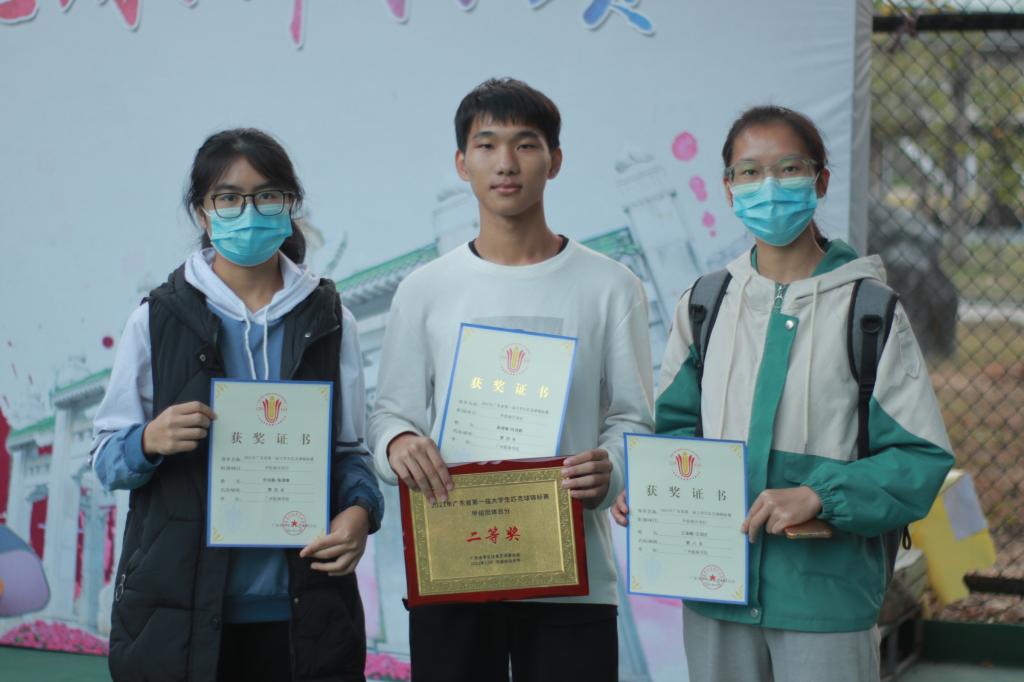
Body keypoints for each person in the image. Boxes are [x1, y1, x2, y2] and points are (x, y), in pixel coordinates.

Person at [612, 105, 954, 682]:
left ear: (820, 181)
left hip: (826, 600)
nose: (768, 186)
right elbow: (672, 431)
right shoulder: (705, 304)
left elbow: (918, 459)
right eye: (749, 172)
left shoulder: (868, 311)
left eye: (789, 168)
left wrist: (821, 494)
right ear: (728, 188)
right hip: (715, 591)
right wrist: (649, 485)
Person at [368, 78, 654, 682]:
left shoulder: (611, 286)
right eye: (487, 145)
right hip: (453, 565)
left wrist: (613, 467)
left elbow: (633, 419)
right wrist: (398, 442)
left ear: (555, 160)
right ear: (461, 163)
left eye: (525, 145)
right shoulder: (425, 290)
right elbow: (390, 414)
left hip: (571, 576)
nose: (506, 163)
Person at [92, 128, 383, 682]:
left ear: (289, 207)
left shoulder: (330, 319)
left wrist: (360, 513)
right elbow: (107, 458)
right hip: (179, 616)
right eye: (228, 197)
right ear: (202, 212)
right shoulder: (156, 318)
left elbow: (350, 451)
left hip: (302, 611)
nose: (248, 213)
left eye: (266, 196)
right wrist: (149, 440)